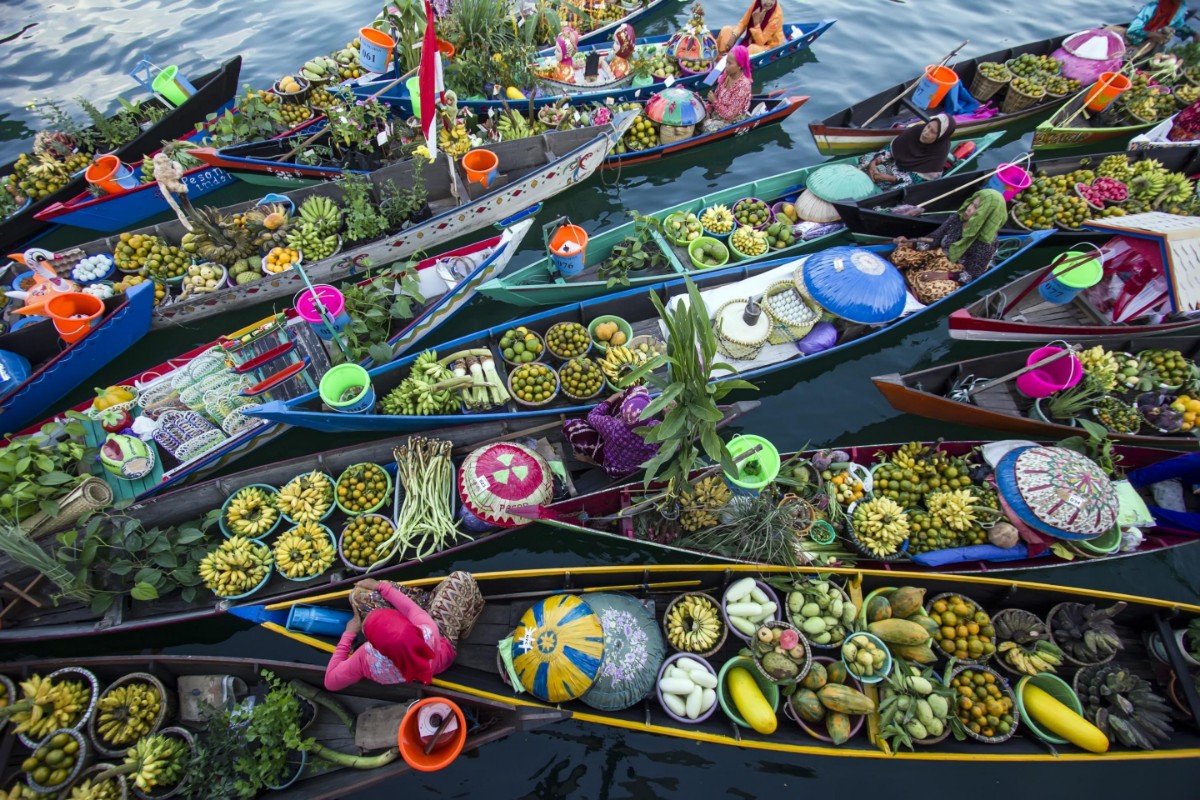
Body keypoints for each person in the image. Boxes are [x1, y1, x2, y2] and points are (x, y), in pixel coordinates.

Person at [324, 574, 478, 690]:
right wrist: (381, 586)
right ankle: (465, 621)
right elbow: (411, 609)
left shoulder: (367, 659)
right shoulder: (427, 632)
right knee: (461, 578)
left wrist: (348, 635)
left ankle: (431, 602)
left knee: (358, 595)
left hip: (417, 663)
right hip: (442, 646)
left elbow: (330, 682)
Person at [892, 189, 1006, 299]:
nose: (969, 209)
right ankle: (915, 280)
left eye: (976, 208)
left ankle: (916, 283)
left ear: (986, 214)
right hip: (937, 254)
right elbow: (934, 240)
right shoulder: (958, 218)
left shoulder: (986, 243)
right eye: (971, 203)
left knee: (929, 292)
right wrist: (909, 243)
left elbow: (970, 275)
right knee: (899, 255)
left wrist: (943, 275)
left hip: (954, 272)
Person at [563, 385, 660, 478]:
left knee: (573, 427)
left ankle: (590, 460)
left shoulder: (612, 427)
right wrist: (668, 413)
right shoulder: (657, 432)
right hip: (631, 467)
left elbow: (592, 416)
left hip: (612, 466)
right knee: (637, 389)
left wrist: (612, 398)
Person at [858, 114, 957, 189]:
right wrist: (874, 162)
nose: (926, 132)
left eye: (933, 132)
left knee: (902, 189)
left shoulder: (939, 152)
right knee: (867, 158)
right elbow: (891, 150)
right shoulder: (916, 131)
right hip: (894, 163)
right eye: (928, 126)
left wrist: (889, 178)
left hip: (906, 177)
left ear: (940, 136)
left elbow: (919, 181)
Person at [703, 45, 753, 130]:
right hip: (718, 113)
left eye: (730, 63)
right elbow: (717, 95)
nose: (726, 66)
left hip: (731, 121)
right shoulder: (726, 75)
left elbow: (730, 115)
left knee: (706, 128)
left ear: (739, 66)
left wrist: (714, 101)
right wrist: (707, 108)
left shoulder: (743, 86)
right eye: (726, 62)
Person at [717, 0, 783, 56]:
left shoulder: (776, 17)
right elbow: (743, 23)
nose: (768, 2)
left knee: (752, 49)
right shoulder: (756, 3)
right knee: (726, 30)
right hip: (750, 38)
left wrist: (756, 23)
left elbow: (761, 42)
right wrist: (734, 36)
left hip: (768, 45)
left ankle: (735, 61)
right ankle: (722, 56)